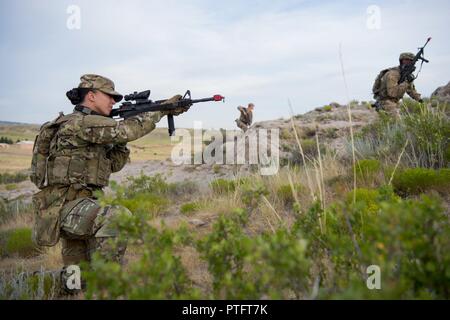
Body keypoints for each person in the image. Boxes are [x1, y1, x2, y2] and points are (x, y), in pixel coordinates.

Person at [30, 74, 189, 273]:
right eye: (109, 96)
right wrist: (161, 110)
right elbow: (128, 130)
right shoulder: (81, 124)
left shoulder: (79, 126)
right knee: (117, 217)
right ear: (91, 96)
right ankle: (107, 282)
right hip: (68, 208)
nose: (114, 101)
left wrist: (121, 141)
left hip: (75, 208)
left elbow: (113, 164)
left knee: (77, 278)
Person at [372, 52, 423, 117]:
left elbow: (410, 90)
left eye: (411, 61)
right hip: (385, 103)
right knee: (397, 124)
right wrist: (406, 82)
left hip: (394, 102)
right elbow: (392, 93)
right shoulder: (393, 74)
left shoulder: (404, 75)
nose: (410, 63)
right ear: (402, 61)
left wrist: (420, 100)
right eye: (407, 60)